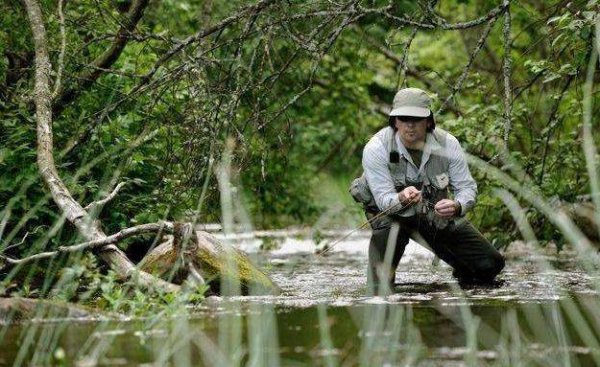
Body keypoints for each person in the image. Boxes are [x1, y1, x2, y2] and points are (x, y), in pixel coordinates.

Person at [357, 87, 504, 294]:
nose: (410, 124)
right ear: (395, 121)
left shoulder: (448, 144)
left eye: (416, 119)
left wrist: (457, 205)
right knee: (381, 280)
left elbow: (466, 188)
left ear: (429, 121)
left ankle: (463, 286)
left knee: (490, 264)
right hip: (390, 216)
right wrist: (401, 197)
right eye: (403, 118)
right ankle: (380, 293)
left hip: (431, 215)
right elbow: (383, 200)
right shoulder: (376, 148)